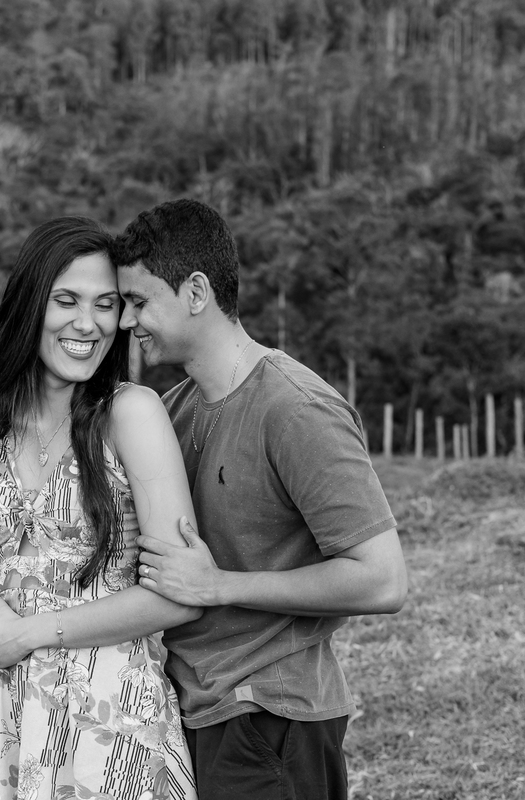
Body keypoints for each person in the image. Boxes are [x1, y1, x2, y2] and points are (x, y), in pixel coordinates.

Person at [111, 198, 409, 800]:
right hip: (193, 713)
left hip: (271, 719)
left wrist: (220, 585)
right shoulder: (171, 412)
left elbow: (383, 581)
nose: (125, 322)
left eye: (139, 301)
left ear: (197, 292)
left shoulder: (296, 408)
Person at [0, 216, 199, 800]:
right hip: (12, 716)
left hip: (114, 722)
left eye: (106, 305)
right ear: (29, 305)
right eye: (67, 301)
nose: (89, 323)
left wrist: (30, 634)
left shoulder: (131, 414)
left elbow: (180, 595)